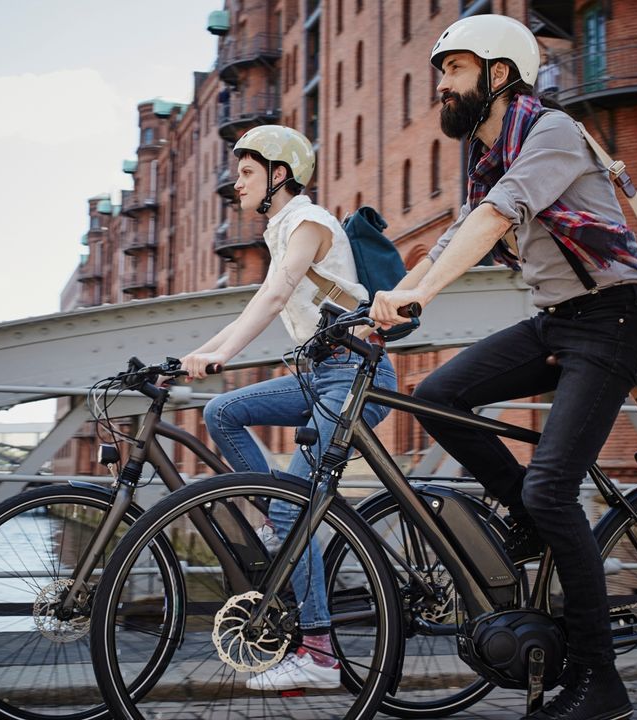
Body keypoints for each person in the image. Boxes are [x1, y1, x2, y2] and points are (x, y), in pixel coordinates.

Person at [370, 15, 637, 720]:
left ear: (500, 75)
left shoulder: (552, 134)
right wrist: (386, 301)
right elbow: (453, 237)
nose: (441, 84)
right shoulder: (489, 154)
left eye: (456, 69)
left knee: (555, 489)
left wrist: (417, 295)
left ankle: (601, 681)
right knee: (440, 394)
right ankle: (523, 515)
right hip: (563, 321)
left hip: (618, 319)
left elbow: (497, 219)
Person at [180, 124, 398, 691]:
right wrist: (198, 355)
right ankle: (280, 522)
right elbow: (264, 298)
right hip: (319, 374)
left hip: (353, 379)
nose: (237, 184)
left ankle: (321, 654)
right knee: (222, 413)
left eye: (248, 172)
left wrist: (222, 353)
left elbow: (273, 296)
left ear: (281, 175)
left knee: (290, 510)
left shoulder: (308, 222)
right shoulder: (283, 228)